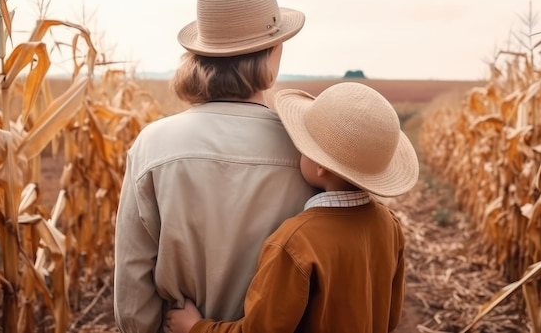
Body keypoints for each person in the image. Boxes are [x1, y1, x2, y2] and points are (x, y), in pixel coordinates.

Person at [113, 0, 317, 333]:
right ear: (271, 55)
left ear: (200, 55)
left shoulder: (154, 144)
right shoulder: (309, 152)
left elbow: (133, 278)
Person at [163, 81, 420, 333]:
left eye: (302, 145)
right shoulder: (390, 225)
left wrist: (195, 328)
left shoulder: (297, 242)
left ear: (320, 166)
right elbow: (390, 316)